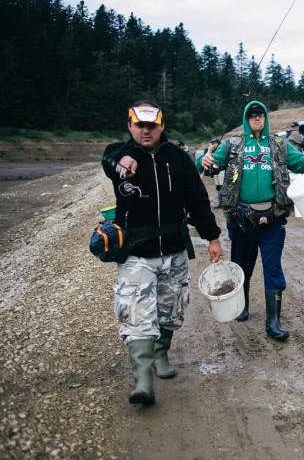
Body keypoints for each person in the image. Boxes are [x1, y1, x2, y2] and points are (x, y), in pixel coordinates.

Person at [102, 101, 222, 405]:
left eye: (151, 125)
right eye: (139, 125)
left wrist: (212, 237)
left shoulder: (179, 158)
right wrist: (122, 160)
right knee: (137, 312)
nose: (145, 131)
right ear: (130, 126)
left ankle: (161, 354)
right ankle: (142, 379)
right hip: (135, 253)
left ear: (161, 126)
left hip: (174, 250)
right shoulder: (120, 155)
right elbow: (110, 158)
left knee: (171, 312)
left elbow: (197, 200)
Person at [198, 101, 304, 341]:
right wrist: (204, 161)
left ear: (265, 118)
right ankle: (243, 305)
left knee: (272, 268)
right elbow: (207, 164)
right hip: (241, 220)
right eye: (252, 115)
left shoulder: (279, 144)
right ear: (246, 119)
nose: (257, 118)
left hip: (273, 219)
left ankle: (273, 322)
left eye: (260, 115)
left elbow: (302, 163)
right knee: (242, 264)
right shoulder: (233, 145)